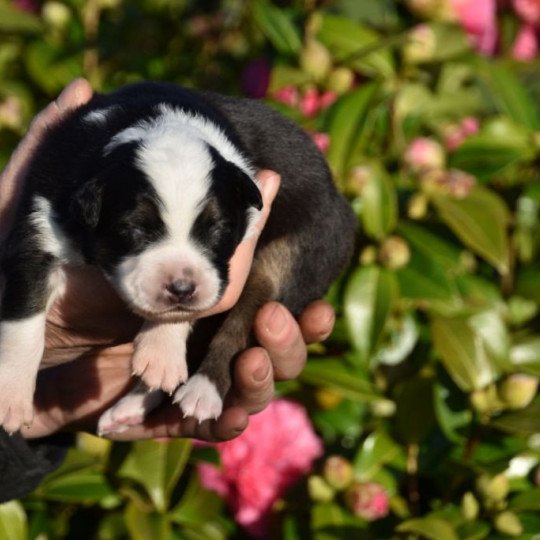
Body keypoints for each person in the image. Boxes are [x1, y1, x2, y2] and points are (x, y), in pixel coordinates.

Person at [0, 79, 335, 500]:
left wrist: (168, 330)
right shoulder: (65, 177)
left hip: (302, 219)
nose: (179, 279)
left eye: (209, 231)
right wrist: (24, 365)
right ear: (91, 207)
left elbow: (247, 219)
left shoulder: (229, 172)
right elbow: (28, 263)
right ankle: (160, 385)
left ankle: (210, 373)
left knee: (257, 306)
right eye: (139, 231)